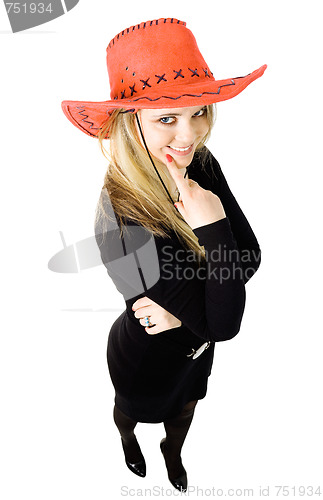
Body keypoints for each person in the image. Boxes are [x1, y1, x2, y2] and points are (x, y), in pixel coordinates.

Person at [61, 17, 266, 492]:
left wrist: (189, 309)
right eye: (167, 118)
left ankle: (172, 455)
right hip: (146, 352)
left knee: (186, 409)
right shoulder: (122, 226)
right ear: (130, 123)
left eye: (198, 112)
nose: (188, 135)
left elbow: (251, 256)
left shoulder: (199, 161)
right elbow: (225, 321)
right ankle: (128, 442)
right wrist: (215, 232)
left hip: (196, 351)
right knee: (134, 410)